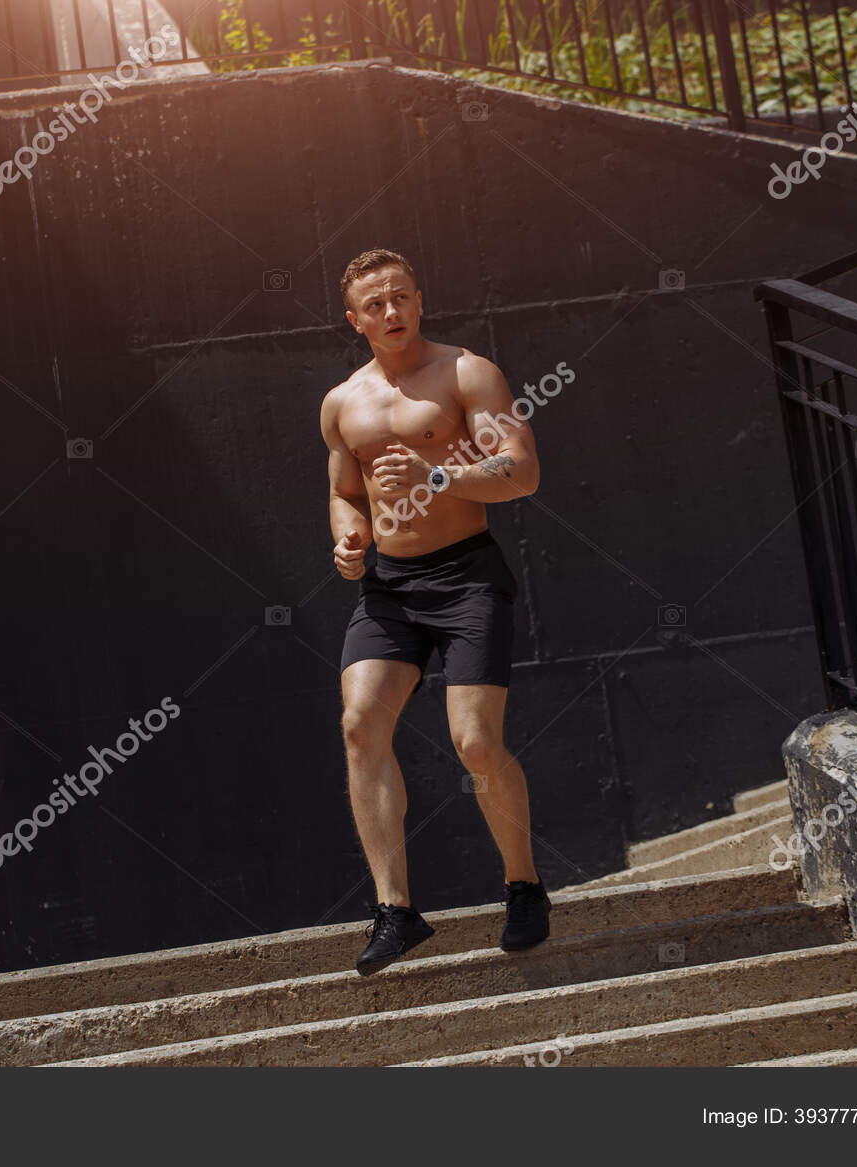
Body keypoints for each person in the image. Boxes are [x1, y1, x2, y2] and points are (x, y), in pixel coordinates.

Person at [318, 247, 550, 976]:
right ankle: (396, 910)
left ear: (420, 300)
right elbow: (345, 491)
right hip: (389, 587)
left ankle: (523, 886)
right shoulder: (341, 403)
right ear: (354, 319)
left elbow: (523, 472)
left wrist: (437, 471)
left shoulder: (465, 373)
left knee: (476, 742)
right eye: (374, 304)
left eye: (401, 298)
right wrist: (348, 538)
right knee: (360, 722)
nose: (391, 312)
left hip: (466, 578)